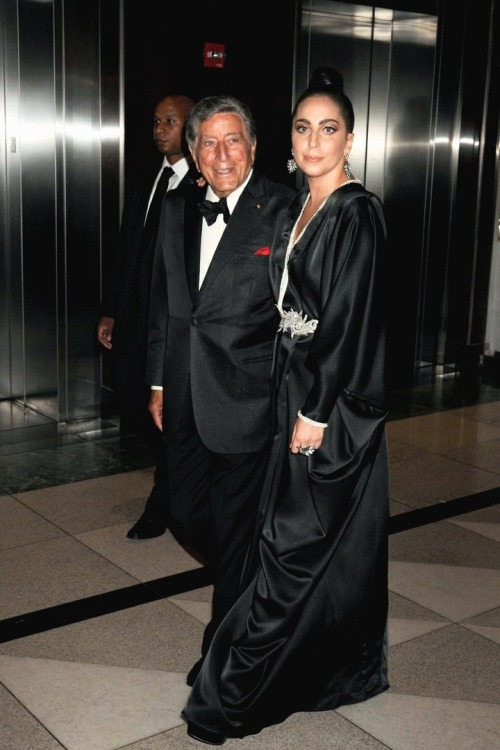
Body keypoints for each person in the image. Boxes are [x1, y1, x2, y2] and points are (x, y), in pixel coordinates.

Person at [182, 67, 390, 745]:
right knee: (304, 546)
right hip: (288, 391)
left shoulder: (356, 211)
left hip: (326, 407)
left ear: (351, 140)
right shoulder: (303, 206)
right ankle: (325, 668)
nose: (314, 140)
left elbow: (347, 322)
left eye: (329, 129)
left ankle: (236, 689)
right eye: (304, 128)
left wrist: (318, 411)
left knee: (291, 546)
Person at [146, 94, 296, 686]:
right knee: (184, 513)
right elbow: (165, 301)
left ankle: (224, 653)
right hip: (182, 392)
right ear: (193, 151)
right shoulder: (177, 204)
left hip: (247, 397)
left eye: (233, 140)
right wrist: (158, 379)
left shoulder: (283, 208)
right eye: (208, 141)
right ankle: (254, 561)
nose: (221, 153)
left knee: (233, 533)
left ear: (254, 148)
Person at [97, 94, 197, 540]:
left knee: (168, 415)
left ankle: (164, 503)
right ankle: (179, 480)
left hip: (175, 322)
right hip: (136, 318)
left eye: (170, 122)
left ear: (190, 126)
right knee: (137, 404)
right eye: (156, 121)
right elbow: (126, 249)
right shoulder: (148, 177)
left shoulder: (201, 183)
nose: (159, 129)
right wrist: (111, 310)